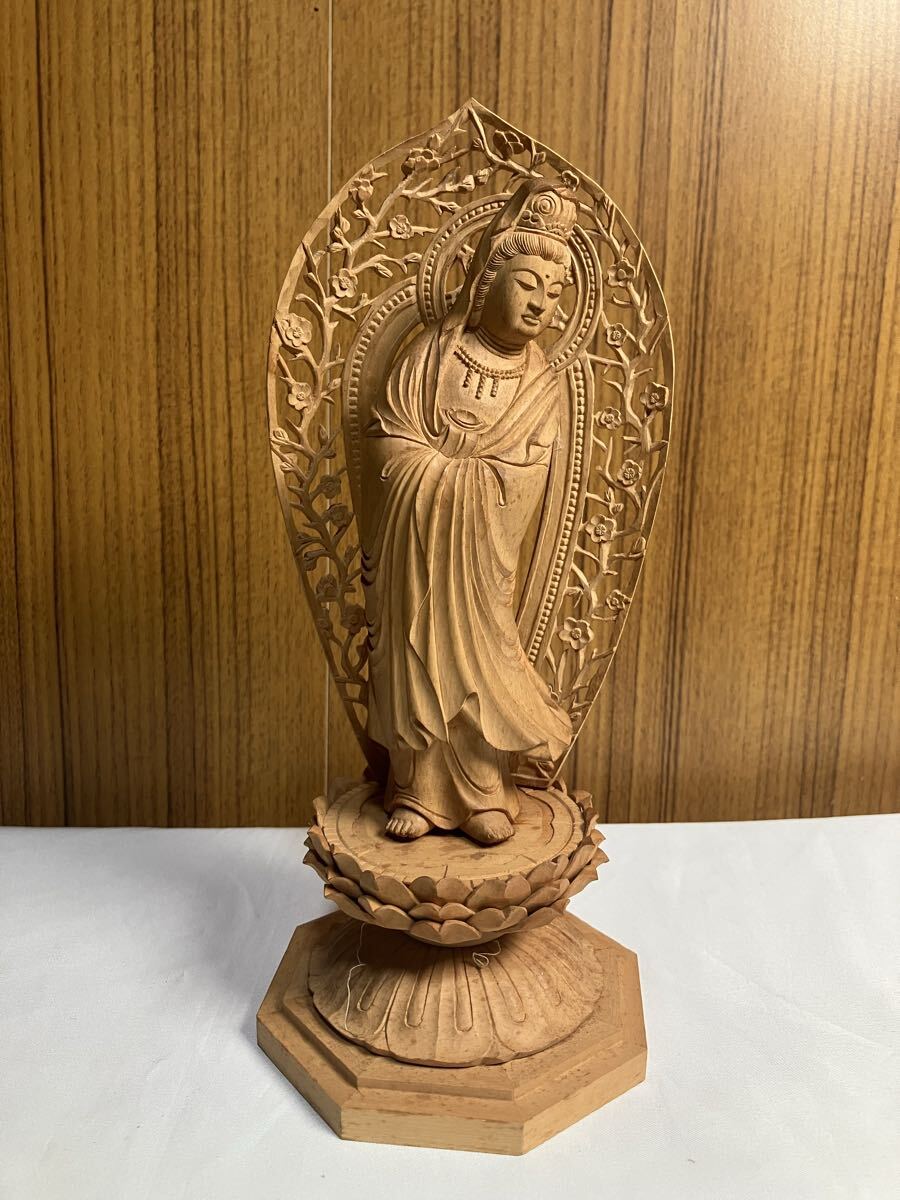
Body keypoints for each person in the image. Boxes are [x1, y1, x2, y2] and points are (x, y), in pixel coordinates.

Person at [360, 180, 576, 844]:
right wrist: (440, 471)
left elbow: (531, 472)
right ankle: (416, 792)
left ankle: (484, 791)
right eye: (527, 284)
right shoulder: (430, 353)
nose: (540, 303)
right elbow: (388, 439)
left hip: (484, 560)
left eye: (554, 294)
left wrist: (471, 477)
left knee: (479, 670)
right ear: (487, 281)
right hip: (418, 553)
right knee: (419, 660)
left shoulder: (539, 385)